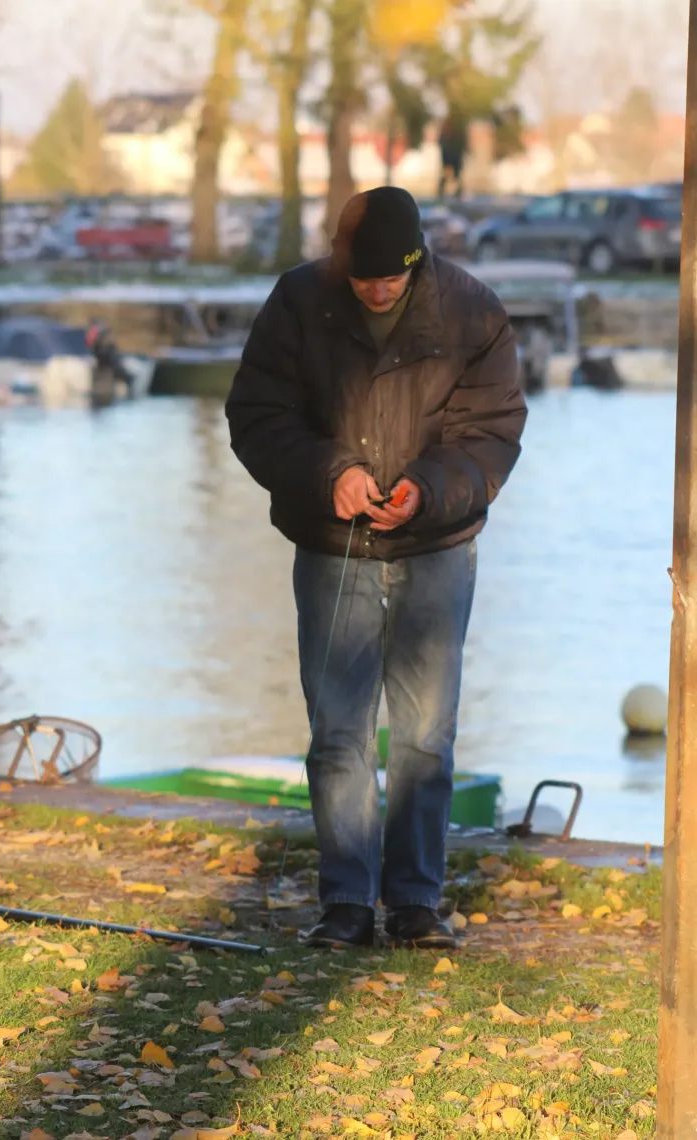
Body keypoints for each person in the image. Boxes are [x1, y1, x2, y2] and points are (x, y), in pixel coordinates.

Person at [225, 187, 527, 949]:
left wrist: (427, 490)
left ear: (416, 261)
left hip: (437, 547)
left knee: (426, 737)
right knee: (338, 733)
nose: (378, 290)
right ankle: (347, 904)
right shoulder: (298, 301)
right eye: (363, 278)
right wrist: (329, 474)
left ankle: (416, 903)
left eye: (391, 277)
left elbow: (492, 434)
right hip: (334, 546)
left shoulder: (472, 311)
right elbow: (257, 417)